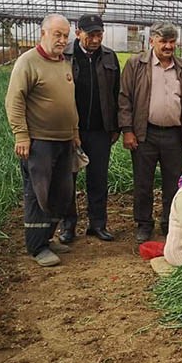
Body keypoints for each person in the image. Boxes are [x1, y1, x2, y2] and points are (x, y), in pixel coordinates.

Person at [5, 13, 79, 267]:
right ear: (43, 33)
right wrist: (21, 135)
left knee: (61, 192)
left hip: (64, 140)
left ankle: (47, 237)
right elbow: (14, 100)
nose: (62, 40)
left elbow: (69, 101)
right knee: (38, 193)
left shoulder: (63, 63)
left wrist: (75, 131)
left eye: (65, 36)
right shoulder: (28, 62)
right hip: (39, 142)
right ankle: (37, 247)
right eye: (57, 34)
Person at [119, 22, 182, 243]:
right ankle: (144, 223)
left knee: (174, 182)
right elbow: (124, 98)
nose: (168, 46)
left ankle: (169, 222)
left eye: (172, 41)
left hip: (174, 134)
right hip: (145, 134)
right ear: (151, 41)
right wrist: (127, 130)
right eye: (163, 41)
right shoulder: (136, 64)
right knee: (143, 182)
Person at [59, 13, 120, 244]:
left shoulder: (109, 57)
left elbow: (116, 93)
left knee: (98, 179)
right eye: (90, 35)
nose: (95, 40)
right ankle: (68, 226)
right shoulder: (64, 56)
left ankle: (98, 224)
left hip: (100, 130)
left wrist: (115, 126)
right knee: (67, 179)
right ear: (78, 33)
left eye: (99, 35)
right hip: (69, 130)